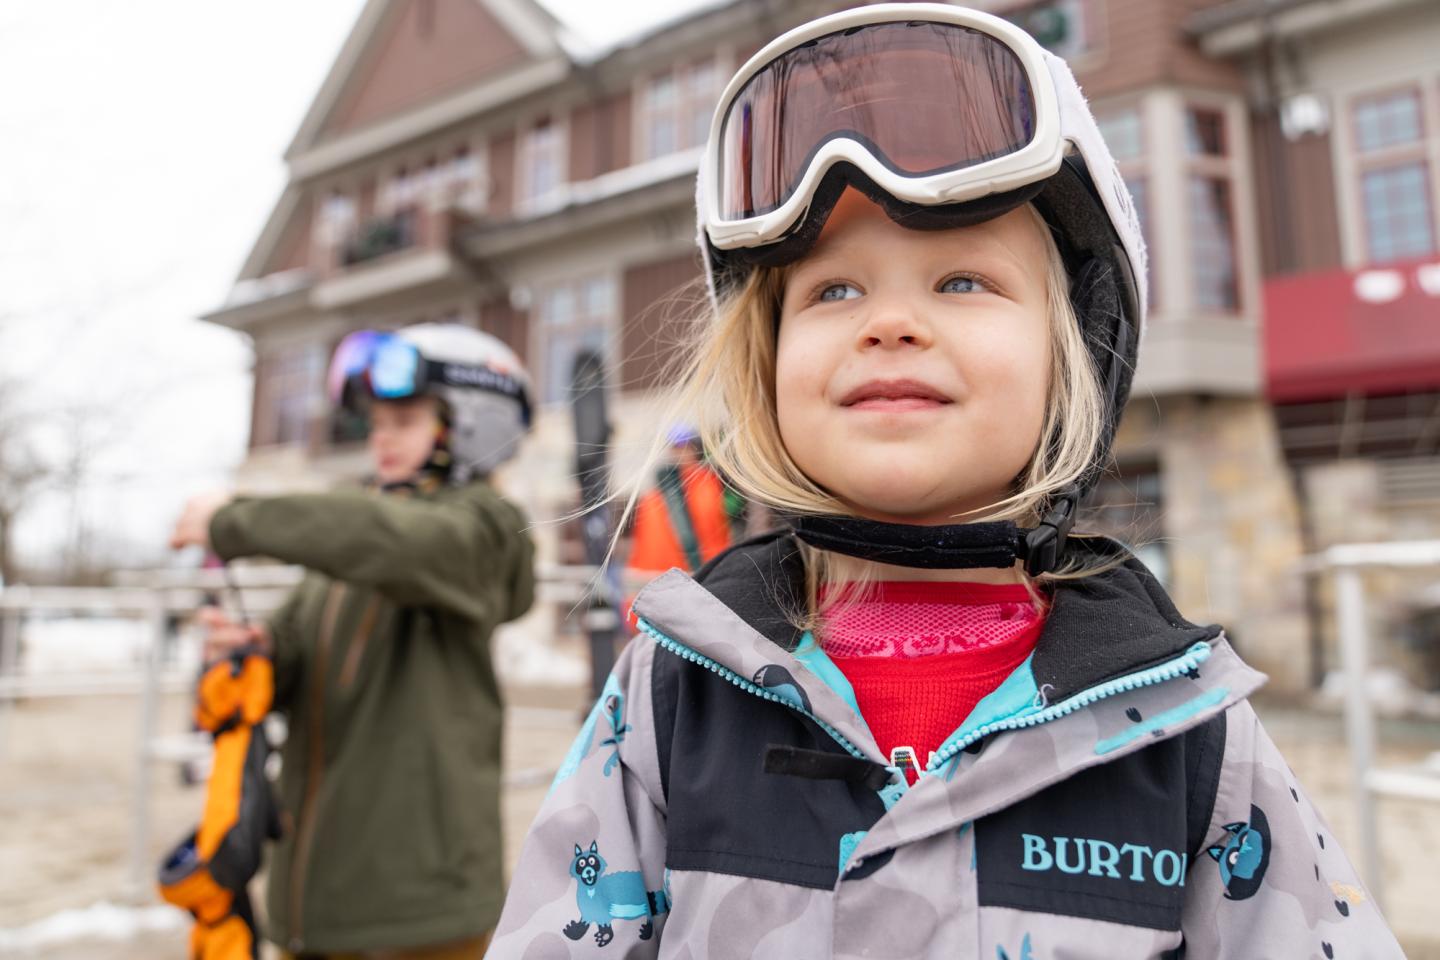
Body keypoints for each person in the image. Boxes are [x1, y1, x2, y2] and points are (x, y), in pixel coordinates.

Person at [490, 6, 1402, 957]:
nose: (889, 323)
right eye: (833, 290)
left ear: (1075, 354)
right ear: (765, 364)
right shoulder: (673, 697)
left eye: (962, 281)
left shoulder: (1186, 730)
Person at [171, 324, 536, 960]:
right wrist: (257, 652)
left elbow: (392, 539)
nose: (381, 437)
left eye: (404, 417)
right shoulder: (361, 530)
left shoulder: (484, 530)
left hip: (420, 913)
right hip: (317, 903)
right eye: (375, 421)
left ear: (473, 422)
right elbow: (297, 643)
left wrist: (239, 519)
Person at [621, 424, 734, 615]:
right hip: (657, 589)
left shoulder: (705, 486)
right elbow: (646, 545)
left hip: (696, 584)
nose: (678, 453)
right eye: (674, 447)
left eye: (684, 447)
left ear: (694, 449)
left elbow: (714, 533)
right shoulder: (654, 494)